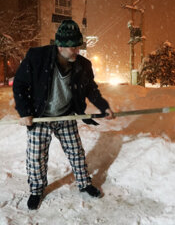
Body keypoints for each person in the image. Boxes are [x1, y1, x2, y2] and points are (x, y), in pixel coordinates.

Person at [13, 19, 115, 210]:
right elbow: (20, 85)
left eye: (78, 47)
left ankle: (84, 183)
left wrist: (103, 106)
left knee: (76, 152)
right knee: (36, 156)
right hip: (41, 116)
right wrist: (25, 112)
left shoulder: (83, 65)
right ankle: (36, 190)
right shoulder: (37, 58)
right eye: (73, 48)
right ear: (60, 46)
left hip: (65, 115)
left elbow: (90, 89)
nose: (77, 51)